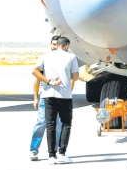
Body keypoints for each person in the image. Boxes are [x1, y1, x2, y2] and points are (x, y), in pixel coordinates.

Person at [32, 36, 80, 165]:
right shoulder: (71, 57)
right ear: (66, 46)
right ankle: (62, 153)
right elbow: (75, 77)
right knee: (66, 124)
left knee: (50, 125)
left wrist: (48, 81)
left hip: (48, 94)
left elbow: (34, 71)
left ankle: (51, 156)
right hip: (64, 96)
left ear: (56, 45)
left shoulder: (46, 56)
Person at [30, 35, 62, 161]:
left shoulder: (67, 59)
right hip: (45, 97)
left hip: (60, 97)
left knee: (58, 125)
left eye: (57, 44)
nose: (55, 46)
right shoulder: (44, 58)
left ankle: (54, 151)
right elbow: (36, 78)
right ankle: (34, 150)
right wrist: (36, 98)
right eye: (53, 44)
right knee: (41, 123)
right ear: (50, 44)